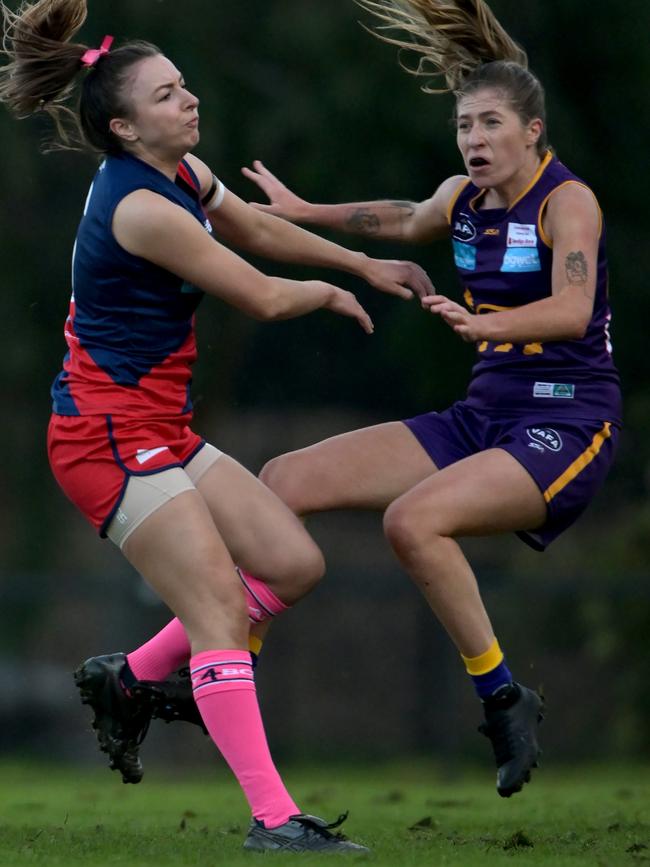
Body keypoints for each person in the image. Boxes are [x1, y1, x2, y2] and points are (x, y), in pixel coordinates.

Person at [0, 0, 433, 852]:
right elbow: (262, 293)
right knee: (219, 616)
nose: (189, 101)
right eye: (167, 96)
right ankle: (275, 820)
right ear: (125, 126)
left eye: (184, 86)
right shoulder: (140, 207)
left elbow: (256, 226)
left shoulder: (183, 176)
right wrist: (329, 292)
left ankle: (134, 677)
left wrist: (360, 258)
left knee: (291, 563)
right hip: (106, 439)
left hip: (159, 427)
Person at [237, 0, 620, 797]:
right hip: (481, 417)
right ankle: (222, 667)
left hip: (565, 418)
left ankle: (502, 695)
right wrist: (305, 211)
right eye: (463, 127)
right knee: (282, 480)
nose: (473, 141)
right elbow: (407, 218)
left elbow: (574, 310)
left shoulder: (565, 202)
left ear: (533, 132)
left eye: (489, 125)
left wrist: (489, 328)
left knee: (412, 520)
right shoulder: (463, 200)